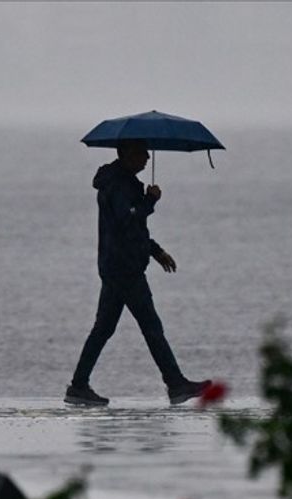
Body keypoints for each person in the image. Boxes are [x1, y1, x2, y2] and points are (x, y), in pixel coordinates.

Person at [65, 139, 212, 406]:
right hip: (124, 269)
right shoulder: (119, 185)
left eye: (146, 152)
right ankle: (176, 384)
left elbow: (133, 230)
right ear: (125, 155)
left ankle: (78, 386)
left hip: (118, 266)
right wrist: (150, 201)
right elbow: (127, 220)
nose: (146, 157)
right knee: (151, 327)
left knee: (104, 329)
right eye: (140, 153)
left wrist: (155, 251)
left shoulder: (122, 182)